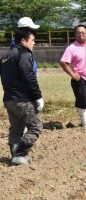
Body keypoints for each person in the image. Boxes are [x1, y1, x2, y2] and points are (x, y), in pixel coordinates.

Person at [0, 28, 44, 165]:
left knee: (16, 128)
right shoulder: (23, 54)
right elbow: (29, 76)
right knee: (36, 127)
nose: (34, 43)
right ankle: (20, 154)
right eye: (32, 40)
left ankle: (15, 156)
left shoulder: (5, 56)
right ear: (23, 41)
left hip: (9, 99)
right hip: (23, 99)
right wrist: (38, 96)